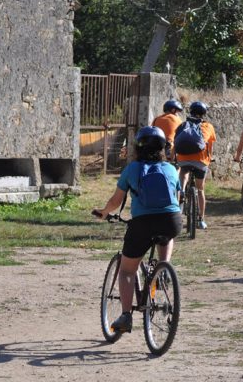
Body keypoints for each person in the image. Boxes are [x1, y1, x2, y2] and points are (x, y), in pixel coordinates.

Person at [93, 126, 181, 334]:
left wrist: (104, 212)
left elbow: (116, 200)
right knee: (166, 233)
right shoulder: (170, 169)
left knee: (126, 270)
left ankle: (126, 315)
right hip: (172, 220)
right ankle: (164, 267)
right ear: (162, 148)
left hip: (143, 224)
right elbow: (174, 197)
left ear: (137, 148)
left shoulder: (132, 169)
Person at [175, 101, 216, 229]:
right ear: (203, 114)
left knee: (183, 172)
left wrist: (173, 156)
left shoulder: (182, 125)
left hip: (183, 158)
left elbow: (176, 142)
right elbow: (210, 147)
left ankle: (181, 191)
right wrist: (210, 158)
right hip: (201, 160)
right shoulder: (208, 126)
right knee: (200, 189)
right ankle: (201, 219)